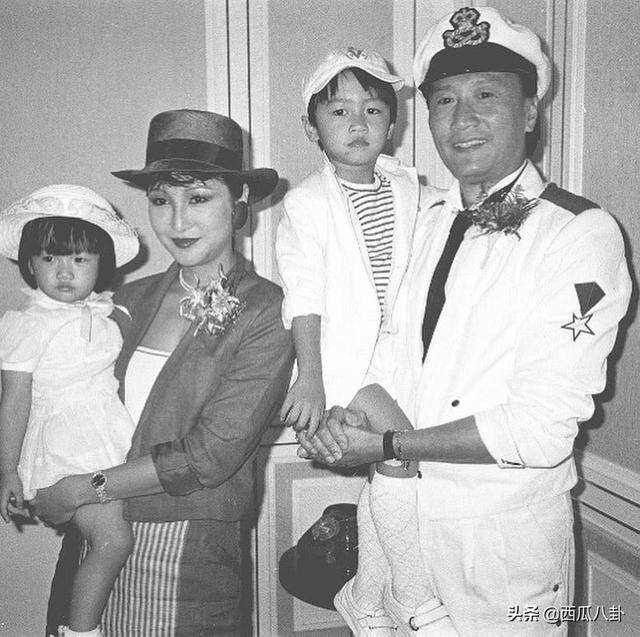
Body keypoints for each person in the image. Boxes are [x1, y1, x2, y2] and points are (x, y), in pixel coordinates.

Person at [297, 6, 632, 636]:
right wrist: (348, 420)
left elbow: (541, 428)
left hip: (501, 548)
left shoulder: (579, 234)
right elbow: (390, 351)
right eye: (445, 100)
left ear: (529, 113)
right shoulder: (423, 218)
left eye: (486, 95)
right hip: (403, 534)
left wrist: (388, 446)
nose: (462, 118)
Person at [32, 109, 294, 636]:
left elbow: (210, 454)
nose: (176, 222)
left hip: (186, 545)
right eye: (160, 200)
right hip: (94, 537)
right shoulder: (125, 300)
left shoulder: (267, 311)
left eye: (198, 199)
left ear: (239, 201)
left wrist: (83, 488)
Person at [276, 48, 455, 635]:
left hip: (402, 358)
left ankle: (364, 597)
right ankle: (412, 593)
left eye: (373, 110)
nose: (358, 123)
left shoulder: (409, 186)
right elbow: (303, 297)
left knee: (387, 471)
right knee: (404, 455)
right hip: (346, 362)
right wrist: (311, 379)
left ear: (392, 123)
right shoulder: (307, 203)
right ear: (312, 128)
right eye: (339, 112)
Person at [0, 185, 139, 637]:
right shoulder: (26, 323)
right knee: (113, 541)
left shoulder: (105, 313)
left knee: (114, 537)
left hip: (107, 436)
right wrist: (7, 471)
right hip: (65, 449)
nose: (64, 271)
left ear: (100, 263)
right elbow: (14, 400)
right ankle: (80, 632)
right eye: (49, 258)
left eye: (79, 259)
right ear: (29, 263)